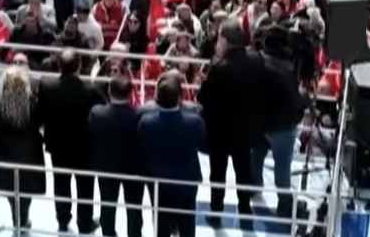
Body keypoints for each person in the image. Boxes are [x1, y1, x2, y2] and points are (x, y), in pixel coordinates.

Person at [197, 20, 264, 227]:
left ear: (225, 40)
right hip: (244, 130)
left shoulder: (219, 67)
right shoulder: (256, 60)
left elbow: (203, 98)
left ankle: (216, 213)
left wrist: (205, 81)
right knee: (243, 172)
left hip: (220, 132)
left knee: (218, 174)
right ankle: (245, 212)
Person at [36, 48, 102, 233]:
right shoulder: (91, 90)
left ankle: (63, 221)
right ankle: (84, 222)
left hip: (58, 146)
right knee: (85, 186)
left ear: (59, 65)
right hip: (84, 147)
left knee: (61, 183)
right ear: (79, 66)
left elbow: (41, 115)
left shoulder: (47, 87)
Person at [139, 72, 205, 237]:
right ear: (179, 98)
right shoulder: (194, 121)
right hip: (187, 179)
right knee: (187, 222)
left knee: (161, 221)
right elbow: (201, 143)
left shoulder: (146, 123)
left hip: (158, 180)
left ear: (157, 98)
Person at [252, 26, 304, 219]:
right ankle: (284, 202)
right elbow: (293, 99)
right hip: (282, 126)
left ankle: (252, 187)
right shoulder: (287, 68)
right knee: (282, 166)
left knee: (256, 155)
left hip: (258, 121)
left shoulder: (254, 61)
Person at [90, 76, 148, 237]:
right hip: (134, 169)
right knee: (134, 207)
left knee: (107, 204)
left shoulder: (97, 113)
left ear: (109, 91)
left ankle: (108, 232)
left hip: (106, 166)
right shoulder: (139, 116)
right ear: (130, 93)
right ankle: (134, 234)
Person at [0, 65, 45, 231]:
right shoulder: (34, 103)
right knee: (27, 185)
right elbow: (40, 122)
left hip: (5, 149)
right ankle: (23, 216)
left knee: (9, 185)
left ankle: (17, 216)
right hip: (29, 149)